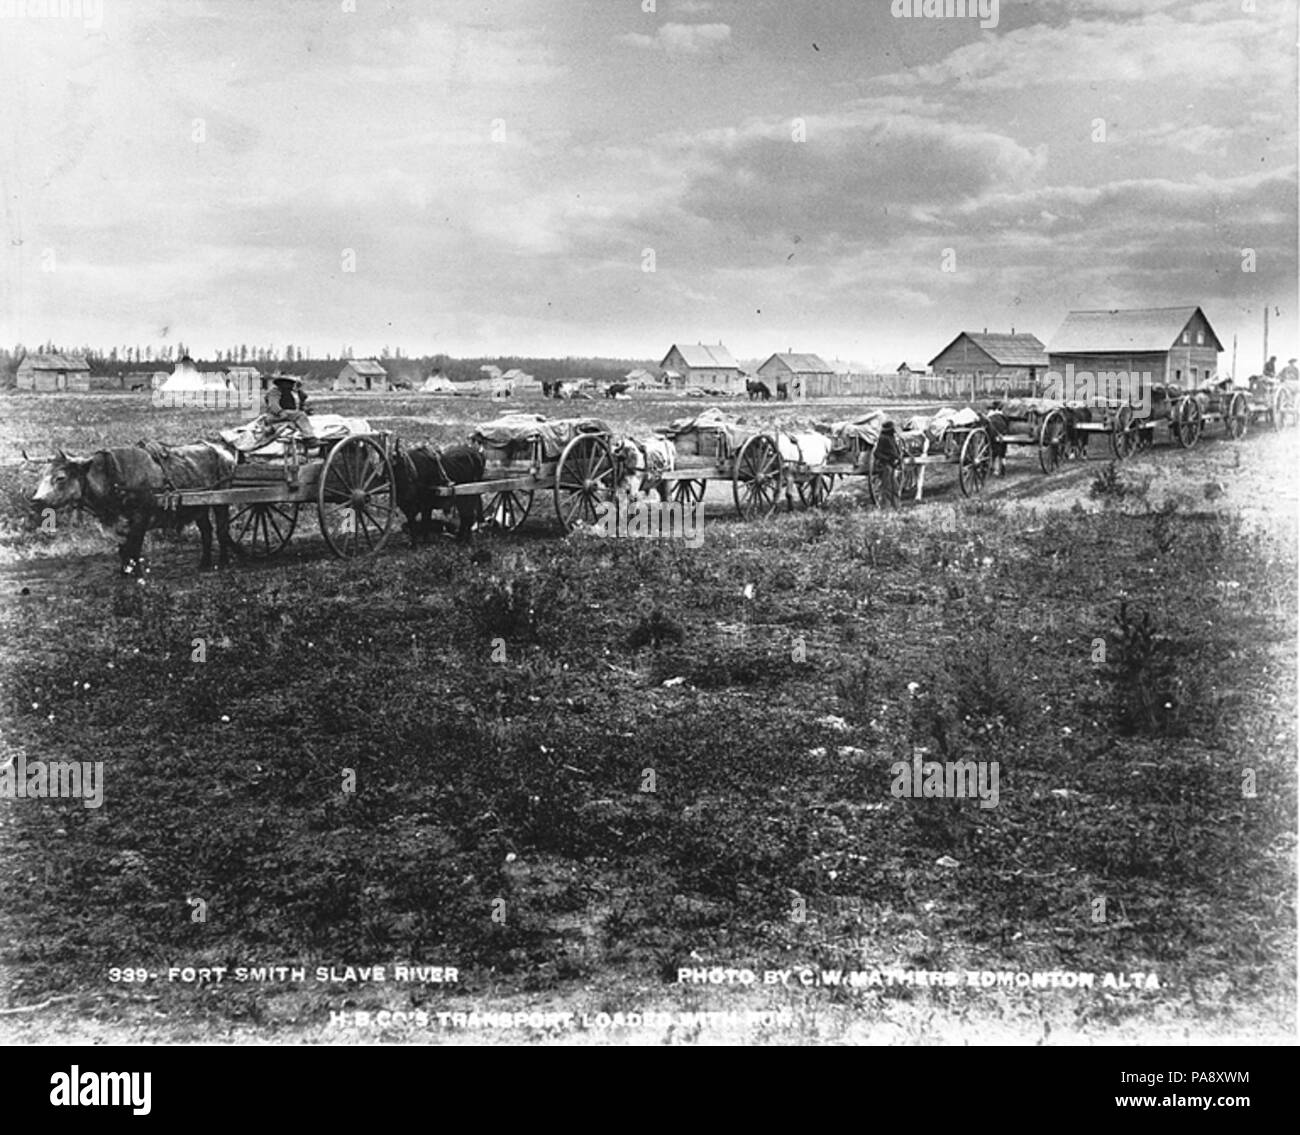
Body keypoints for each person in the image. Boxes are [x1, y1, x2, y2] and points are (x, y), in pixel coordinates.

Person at [262, 375, 316, 441]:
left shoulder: (295, 394)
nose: (288, 385)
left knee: (299, 419)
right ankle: (309, 437)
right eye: (285, 383)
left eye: (289, 383)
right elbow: (273, 404)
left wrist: (306, 410)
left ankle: (274, 428)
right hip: (275, 416)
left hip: (288, 416)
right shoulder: (275, 392)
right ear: (280, 384)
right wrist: (280, 412)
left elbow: (298, 406)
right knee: (300, 415)